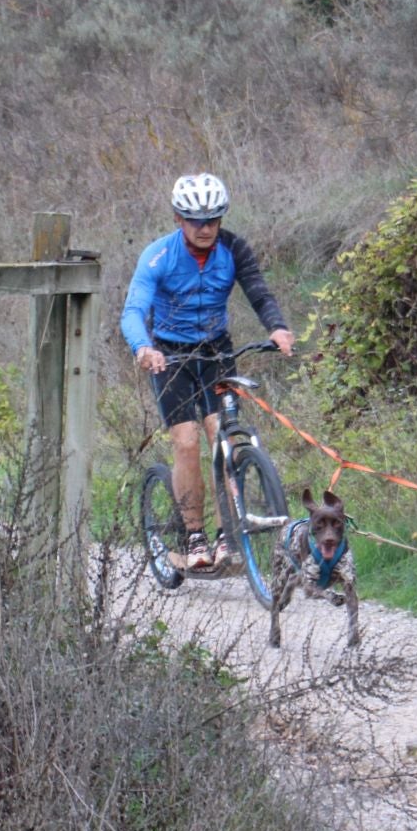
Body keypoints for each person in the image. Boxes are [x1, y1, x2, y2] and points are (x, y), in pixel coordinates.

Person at [122, 173, 294, 571]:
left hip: (216, 351)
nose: (205, 228)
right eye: (196, 221)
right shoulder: (158, 256)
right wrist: (143, 347)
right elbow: (133, 310)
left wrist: (278, 327)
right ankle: (194, 535)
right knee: (186, 442)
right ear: (178, 219)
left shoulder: (233, 249)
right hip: (170, 355)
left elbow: (258, 290)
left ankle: (225, 537)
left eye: (213, 220)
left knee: (223, 437)